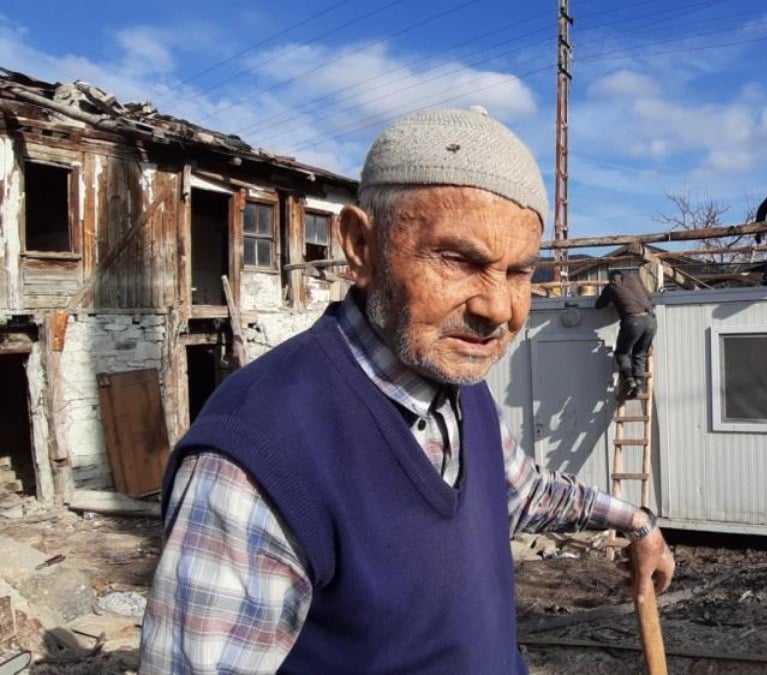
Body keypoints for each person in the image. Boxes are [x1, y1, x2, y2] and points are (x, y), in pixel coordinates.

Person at [139, 108, 674, 674]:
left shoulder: (458, 388)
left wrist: (634, 521)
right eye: (458, 259)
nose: (498, 309)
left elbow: (520, 492)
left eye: (520, 273)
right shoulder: (259, 455)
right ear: (361, 246)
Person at [594, 269, 657, 398]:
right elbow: (649, 297)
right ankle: (639, 385)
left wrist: (614, 298)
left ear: (611, 278)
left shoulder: (612, 286)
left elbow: (599, 305)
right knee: (640, 354)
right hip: (651, 321)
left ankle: (630, 381)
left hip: (633, 321)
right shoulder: (635, 280)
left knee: (622, 353)